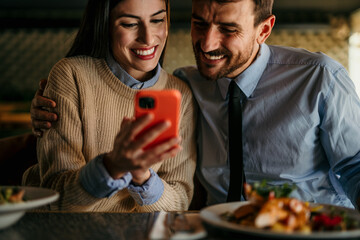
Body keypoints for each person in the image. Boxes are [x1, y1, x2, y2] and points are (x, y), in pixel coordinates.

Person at [30, 0, 360, 210]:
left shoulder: (320, 77)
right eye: (199, 23)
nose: (207, 43)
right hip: (217, 230)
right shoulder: (186, 85)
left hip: (308, 226)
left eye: (228, 29)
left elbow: (355, 167)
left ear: (264, 30)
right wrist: (46, 111)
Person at [22, 0, 197, 212]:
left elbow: (179, 202)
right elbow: (57, 198)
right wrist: (112, 167)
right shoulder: (71, 76)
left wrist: (142, 177)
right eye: (130, 24)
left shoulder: (181, 94)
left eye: (158, 20)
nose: (148, 38)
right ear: (105, 24)